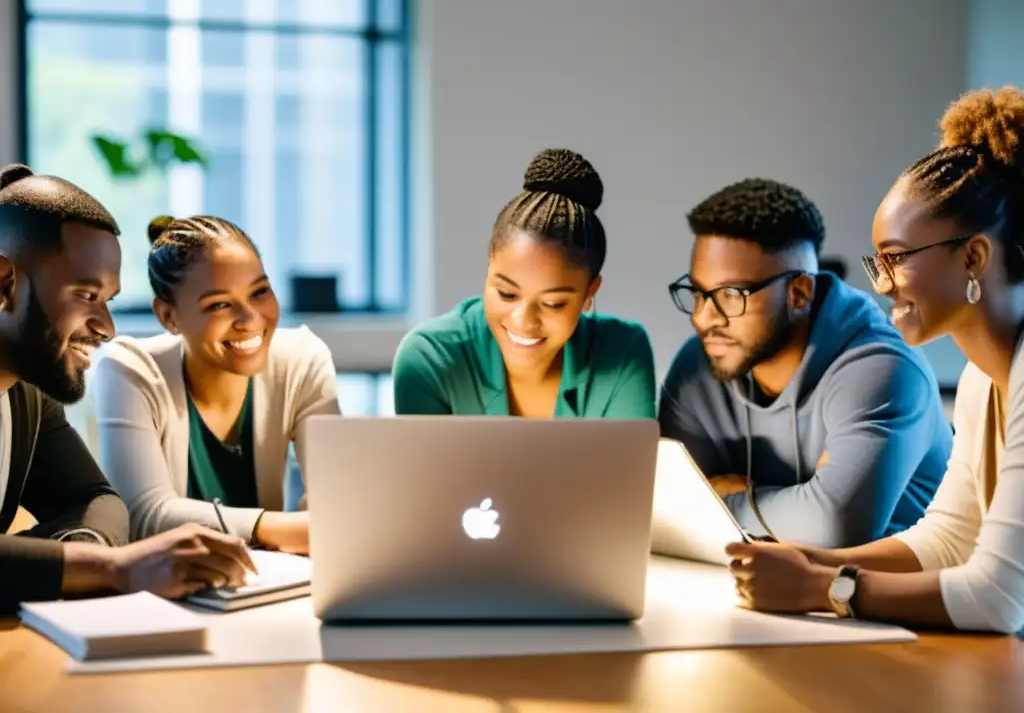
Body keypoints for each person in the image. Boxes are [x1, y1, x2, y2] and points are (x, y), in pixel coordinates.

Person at [725, 86, 1024, 634]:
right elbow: (950, 540)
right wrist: (803, 560)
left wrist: (822, 588)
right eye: (877, 262)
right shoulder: (985, 378)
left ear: (975, 257)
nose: (882, 284)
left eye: (896, 259)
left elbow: (1000, 596)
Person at [0, 164, 254, 613]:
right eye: (86, 295)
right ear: (5, 285)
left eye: (108, 300)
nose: (106, 327)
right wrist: (114, 567)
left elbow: (93, 499)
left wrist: (78, 553)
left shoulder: (27, 396)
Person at [659, 179, 951, 547]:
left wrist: (725, 499)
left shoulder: (883, 368)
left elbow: (834, 525)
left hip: (891, 596)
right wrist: (803, 502)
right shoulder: (698, 365)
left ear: (798, 293)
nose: (703, 319)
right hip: (753, 590)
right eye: (698, 293)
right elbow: (663, 506)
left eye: (731, 295)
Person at [91, 215, 340, 554]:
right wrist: (287, 528)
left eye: (260, 292)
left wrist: (324, 517)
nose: (251, 319)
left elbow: (337, 505)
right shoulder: (130, 370)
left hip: (267, 586)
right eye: (219, 304)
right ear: (169, 317)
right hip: (165, 594)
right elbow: (144, 517)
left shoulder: (301, 360)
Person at [393, 148, 655, 418]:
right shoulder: (429, 358)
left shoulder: (623, 353)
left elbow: (627, 461)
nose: (523, 321)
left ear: (590, 292)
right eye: (506, 294)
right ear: (488, 268)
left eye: (553, 303)